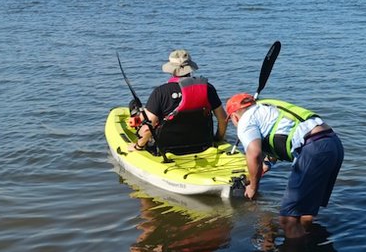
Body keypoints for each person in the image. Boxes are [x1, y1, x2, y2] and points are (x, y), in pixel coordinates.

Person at [224, 93, 344, 239]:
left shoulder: (244, 121)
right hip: (332, 143)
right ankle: (310, 249)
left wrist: (253, 188)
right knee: (305, 214)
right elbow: (281, 135)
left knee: (287, 220)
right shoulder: (267, 109)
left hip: (313, 148)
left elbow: (254, 153)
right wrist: (264, 166)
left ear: (234, 117)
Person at [128, 49, 229, 154]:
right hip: (203, 145)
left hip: (167, 149)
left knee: (142, 121)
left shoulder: (161, 92)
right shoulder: (208, 88)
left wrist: (138, 146)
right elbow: (223, 119)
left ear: (172, 70)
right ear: (190, 68)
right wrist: (218, 139)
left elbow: (149, 127)